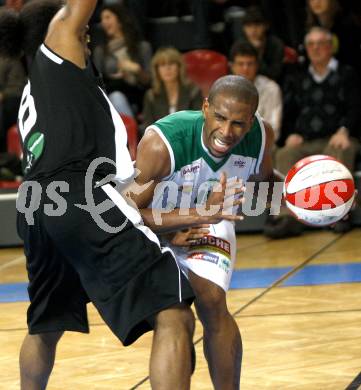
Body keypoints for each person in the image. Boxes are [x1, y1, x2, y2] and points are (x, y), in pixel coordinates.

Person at [2, 1, 196, 388]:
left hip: (37, 206)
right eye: (85, 34)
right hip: (78, 196)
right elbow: (77, 9)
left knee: (45, 325)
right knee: (173, 312)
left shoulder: (36, 90)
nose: (88, 41)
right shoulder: (56, 46)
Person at [130, 75, 275, 389]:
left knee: (212, 302)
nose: (226, 132)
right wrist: (173, 230)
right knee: (175, 315)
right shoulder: (163, 143)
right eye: (220, 118)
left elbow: (267, 190)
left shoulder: (261, 138)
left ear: (251, 122)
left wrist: (321, 199)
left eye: (238, 123)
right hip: (152, 229)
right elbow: (126, 213)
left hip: (211, 217)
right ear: (205, 107)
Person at [269, 26, 361, 237]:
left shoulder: (348, 74)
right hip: (307, 140)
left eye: (321, 43)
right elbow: (290, 112)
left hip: (340, 137)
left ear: (330, 47)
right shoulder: (297, 76)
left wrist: (345, 130)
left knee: (340, 151)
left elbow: (356, 108)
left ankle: (339, 213)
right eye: (311, 44)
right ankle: (288, 217)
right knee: (284, 153)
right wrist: (291, 133)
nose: (316, 48)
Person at [92, 3, 152, 115]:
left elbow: (151, 82)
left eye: (108, 17)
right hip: (113, 96)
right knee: (117, 97)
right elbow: (97, 84)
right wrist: (113, 78)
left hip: (138, 97)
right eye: (102, 19)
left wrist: (138, 70)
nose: (104, 22)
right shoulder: (100, 51)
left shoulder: (142, 47)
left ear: (120, 19)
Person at [229, 40, 282, 142]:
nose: (245, 69)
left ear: (257, 65)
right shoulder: (222, 89)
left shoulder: (271, 89)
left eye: (250, 64)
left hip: (260, 145)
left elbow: (274, 131)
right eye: (241, 64)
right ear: (232, 66)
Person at [141, 47, 203, 131]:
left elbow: (199, 124)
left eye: (171, 64)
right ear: (157, 70)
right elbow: (148, 128)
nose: (167, 68)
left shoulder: (193, 91)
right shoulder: (151, 96)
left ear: (179, 67)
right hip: (160, 141)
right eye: (162, 65)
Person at [235, 6, 284, 81]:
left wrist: (257, 53)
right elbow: (235, 72)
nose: (253, 30)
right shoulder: (239, 46)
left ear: (266, 26)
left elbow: (275, 74)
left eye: (257, 25)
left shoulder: (276, 44)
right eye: (249, 26)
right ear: (243, 28)